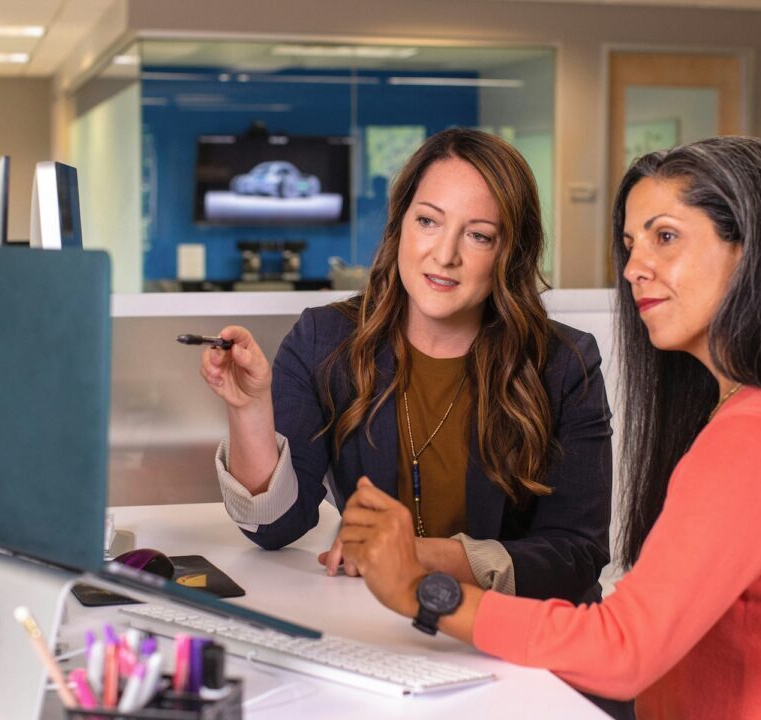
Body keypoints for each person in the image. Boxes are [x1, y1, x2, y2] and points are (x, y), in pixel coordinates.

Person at [338, 136, 761, 719]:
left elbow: (624, 650)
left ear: (750, 251)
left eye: (666, 237)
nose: (635, 268)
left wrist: (422, 592)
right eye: (632, 244)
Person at [200, 129, 627, 716]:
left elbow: (575, 555)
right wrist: (248, 409)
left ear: (510, 252)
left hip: (531, 660)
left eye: (478, 236)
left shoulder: (563, 362)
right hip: (392, 651)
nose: (443, 255)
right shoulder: (325, 340)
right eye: (428, 221)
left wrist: (417, 558)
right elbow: (274, 528)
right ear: (401, 224)